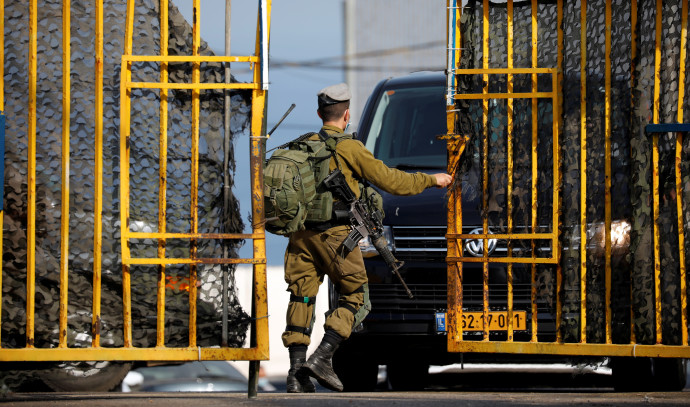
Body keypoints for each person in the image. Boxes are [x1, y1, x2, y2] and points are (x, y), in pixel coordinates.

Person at [283, 83, 453, 393]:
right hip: (336, 236)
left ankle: (295, 373)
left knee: (302, 298)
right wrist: (432, 179)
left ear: (320, 113)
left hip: (300, 236)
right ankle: (323, 355)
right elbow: (392, 181)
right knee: (357, 298)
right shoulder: (350, 148)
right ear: (346, 115)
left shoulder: (301, 146)